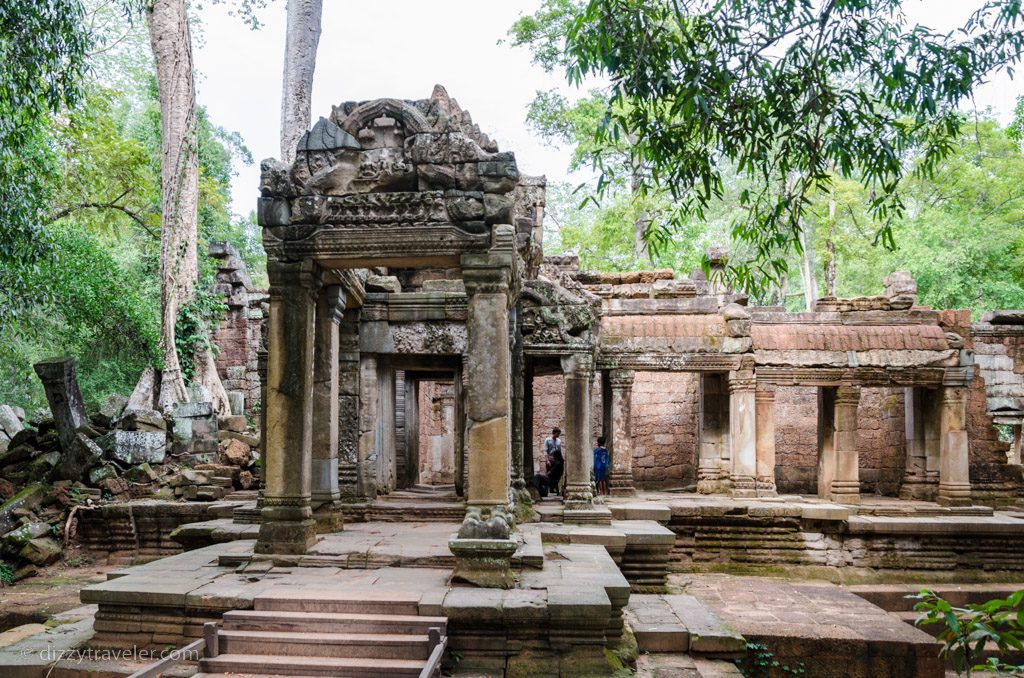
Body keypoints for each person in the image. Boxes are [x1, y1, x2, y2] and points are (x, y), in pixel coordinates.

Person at [544, 427, 564, 496]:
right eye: (557, 434)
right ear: (554, 433)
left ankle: (554, 488)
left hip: (557, 461)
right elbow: (546, 451)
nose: (558, 435)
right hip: (550, 459)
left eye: (559, 434)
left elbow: (559, 451)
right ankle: (550, 489)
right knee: (549, 474)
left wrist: (561, 460)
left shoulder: (559, 441)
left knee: (556, 475)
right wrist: (547, 460)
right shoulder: (547, 440)